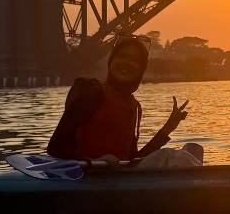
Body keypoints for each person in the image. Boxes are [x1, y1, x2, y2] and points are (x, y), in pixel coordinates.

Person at [47, 37, 203, 168]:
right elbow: (55, 148)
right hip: (88, 178)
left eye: (135, 60)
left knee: (194, 150)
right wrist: (93, 162)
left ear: (141, 69)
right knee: (171, 157)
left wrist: (168, 128)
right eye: (122, 57)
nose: (126, 63)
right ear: (111, 61)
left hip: (118, 180)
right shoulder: (92, 94)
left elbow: (133, 159)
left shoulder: (133, 106)